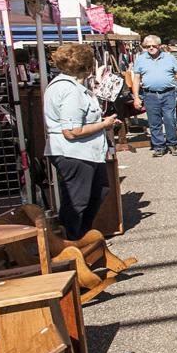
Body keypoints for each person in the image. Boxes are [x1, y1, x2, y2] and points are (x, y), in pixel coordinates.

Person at [44, 44, 122, 240]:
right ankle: (73, 241)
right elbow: (71, 131)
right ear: (87, 67)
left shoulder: (70, 86)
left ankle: (82, 237)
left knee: (99, 191)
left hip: (82, 152)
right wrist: (104, 124)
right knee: (78, 201)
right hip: (74, 153)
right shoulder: (70, 90)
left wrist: (103, 124)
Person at [131, 34, 177, 157]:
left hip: (168, 93)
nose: (151, 48)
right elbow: (136, 79)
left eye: (154, 46)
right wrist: (136, 97)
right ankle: (159, 146)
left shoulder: (169, 58)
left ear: (159, 46)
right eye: (148, 46)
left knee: (170, 119)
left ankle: (172, 144)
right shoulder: (140, 59)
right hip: (150, 95)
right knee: (154, 122)